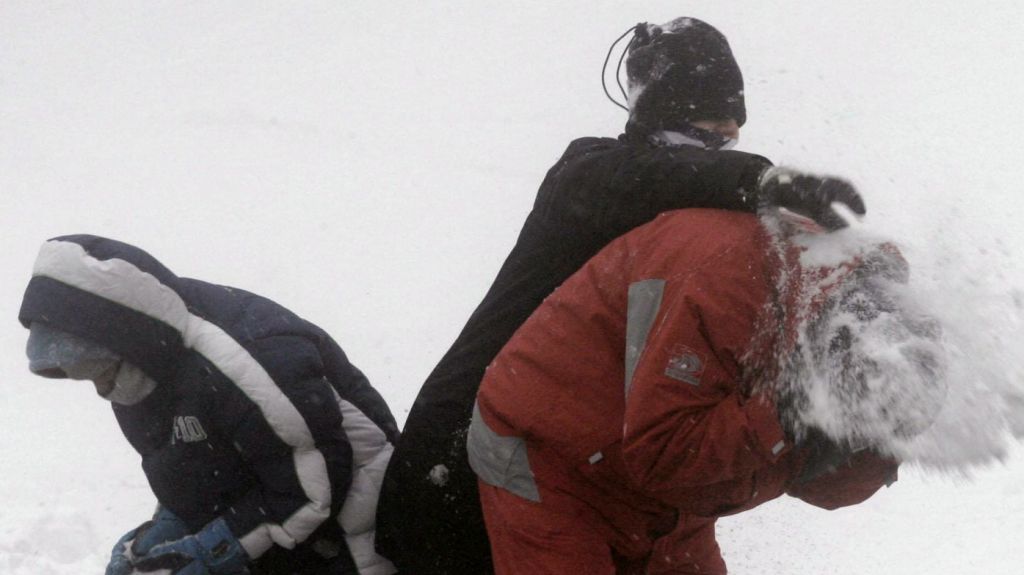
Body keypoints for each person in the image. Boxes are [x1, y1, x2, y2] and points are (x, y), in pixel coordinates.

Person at [376, 17, 867, 574]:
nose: (721, 144)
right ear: (656, 118)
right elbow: (650, 177)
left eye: (730, 136)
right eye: (707, 130)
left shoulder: (682, 197)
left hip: (592, 458)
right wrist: (760, 182)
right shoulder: (588, 176)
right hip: (470, 457)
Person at [467, 205, 931, 574]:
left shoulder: (860, 322)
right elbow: (664, 453)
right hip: (554, 462)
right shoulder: (733, 284)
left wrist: (876, 437)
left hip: (674, 490)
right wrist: (795, 408)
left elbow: (822, 488)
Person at [17, 235, 400, 575]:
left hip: (356, 527)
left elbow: (316, 487)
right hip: (285, 527)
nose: (97, 383)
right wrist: (163, 531)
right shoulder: (137, 373)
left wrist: (216, 547)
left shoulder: (241, 358)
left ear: (124, 333)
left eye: (95, 364)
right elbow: (197, 466)